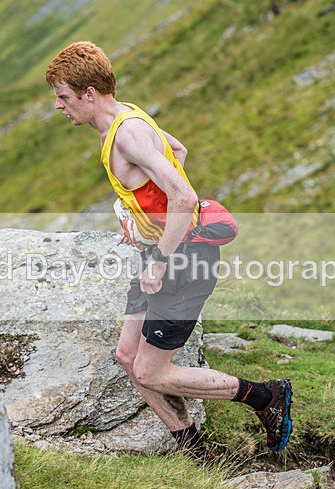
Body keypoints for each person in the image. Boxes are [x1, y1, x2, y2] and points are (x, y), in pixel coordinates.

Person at [45, 41, 292, 461]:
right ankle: (197, 453)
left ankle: (265, 396)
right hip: (157, 252)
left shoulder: (128, 135)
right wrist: (143, 218)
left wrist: (161, 257)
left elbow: (182, 195)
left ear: (89, 93)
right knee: (128, 356)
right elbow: (177, 153)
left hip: (181, 261)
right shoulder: (126, 118)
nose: (57, 106)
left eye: (63, 96)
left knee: (149, 370)